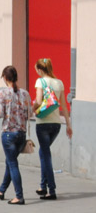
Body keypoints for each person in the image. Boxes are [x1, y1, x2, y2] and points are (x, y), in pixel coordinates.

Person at [31, 58, 72, 200]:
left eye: (37, 69)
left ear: (40, 70)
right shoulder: (59, 83)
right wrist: (69, 125)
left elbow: (38, 100)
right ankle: (42, 186)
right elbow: (64, 107)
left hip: (43, 123)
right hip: (56, 124)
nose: (36, 72)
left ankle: (52, 190)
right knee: (43, 153)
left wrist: (32, 109)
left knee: (46, 156)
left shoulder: (40, 81)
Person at [0, 64, 32, 205]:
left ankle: (19, 196)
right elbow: (30, 113)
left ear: (5, 77)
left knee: (13, 164)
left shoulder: (3, 93)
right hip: (21, 134)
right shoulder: (25, 93)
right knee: (9, 162)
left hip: (9, 134)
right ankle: (1, 190)